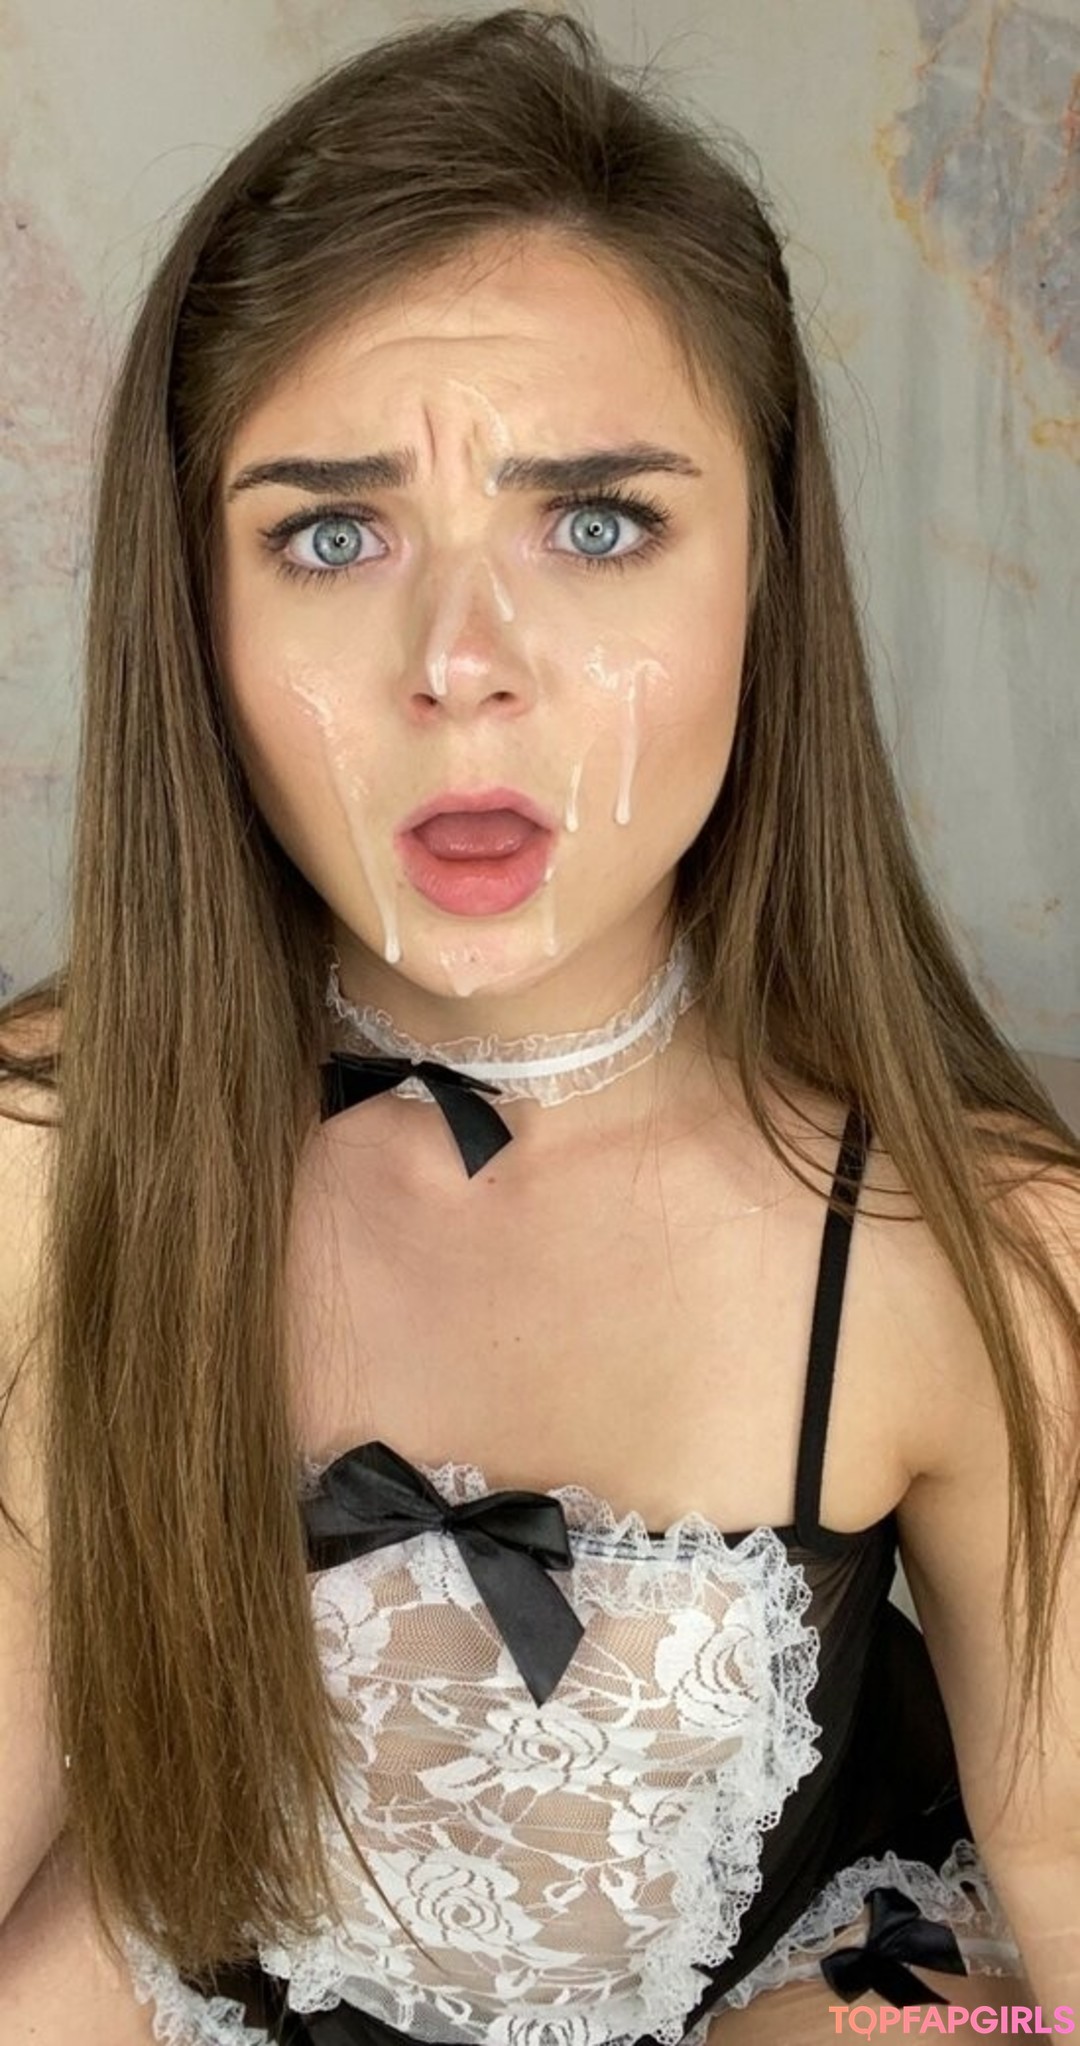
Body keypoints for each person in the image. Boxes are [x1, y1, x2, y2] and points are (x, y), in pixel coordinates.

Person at [1, 8, 1078, 2042]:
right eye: (331, 535)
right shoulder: (41, 1161)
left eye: (595, 523)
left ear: (767, 569)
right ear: (197, 616)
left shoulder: (980, 1249)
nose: (462, 665)